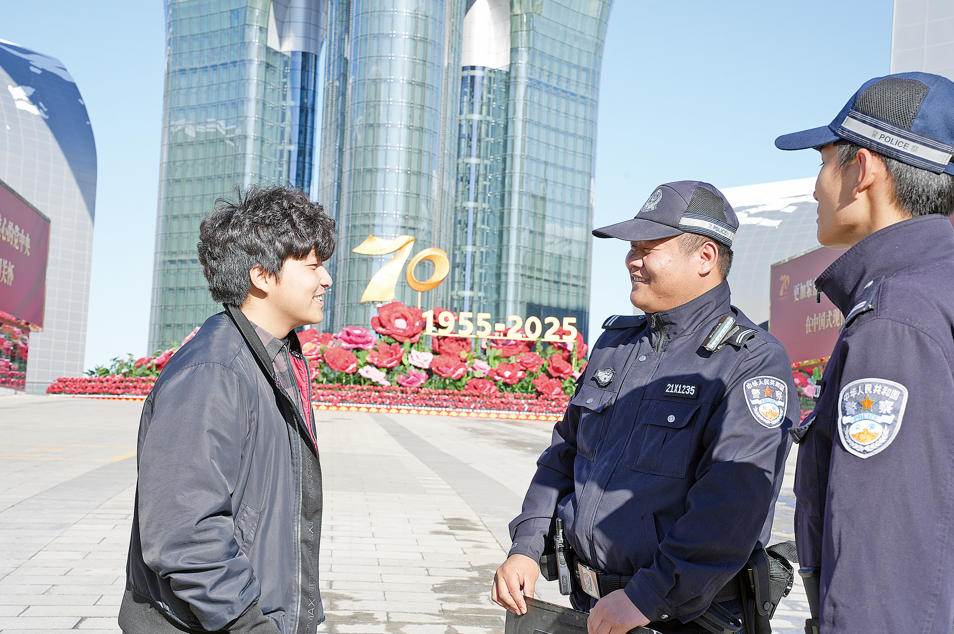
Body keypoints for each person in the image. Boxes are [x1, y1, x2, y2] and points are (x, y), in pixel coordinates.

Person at [492, 181, 797, 633]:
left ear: (705, 257)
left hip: (680, 616)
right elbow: (564, 454)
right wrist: (527, 545)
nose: (632, 260)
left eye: (647, 248)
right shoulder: (617, 344)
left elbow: (731, 507)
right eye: (631, 248)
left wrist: (648, 596)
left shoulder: (748, 360)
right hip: (592, 607)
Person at [775, 72, 954, 633]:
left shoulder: (896, 317)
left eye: (823, 163)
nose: (814, 189)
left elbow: (884, 566)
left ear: (864, 169)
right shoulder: (934, 290)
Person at [118, 185, 335, 633]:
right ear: (262, 275)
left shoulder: (271, 358)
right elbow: (184, 529)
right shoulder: (215, 370)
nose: (326, 279)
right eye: (313, 266)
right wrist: (248, 623)